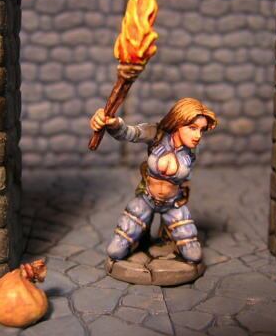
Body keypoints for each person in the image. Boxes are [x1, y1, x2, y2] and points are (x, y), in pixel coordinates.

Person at [90, 98, 217, 263]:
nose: (198, 136)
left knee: (193, 255)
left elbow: (187, 177)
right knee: (115, 251)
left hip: (173, 204)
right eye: (192, 128)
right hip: (146, 200)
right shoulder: (156, 134)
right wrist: (113, 123)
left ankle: (173, 237)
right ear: (178, 121)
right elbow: (128, 133)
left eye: (202, 130)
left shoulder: (192, 150)